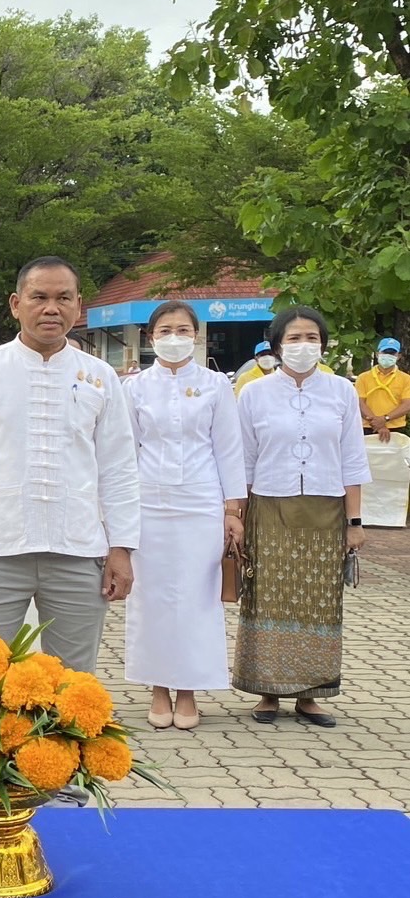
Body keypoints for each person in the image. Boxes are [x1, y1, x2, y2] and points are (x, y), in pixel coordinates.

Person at [0, 256, 140, 673]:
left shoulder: (99, 377)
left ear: (78, 305)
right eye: (39, 297)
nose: (51, 308)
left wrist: (121, 548)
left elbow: (119, 468)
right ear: (16, 304)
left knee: (73, 682)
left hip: (78, 550)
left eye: (63, 298)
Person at [235, 306, 370, 727]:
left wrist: (355, 523)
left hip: (326, 511)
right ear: (277, 345)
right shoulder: (254, 393)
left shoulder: (341, 391)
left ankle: (312, 694)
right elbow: (244, 462)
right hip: (268, 509)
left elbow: (352, 459)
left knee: (319, 603)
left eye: (312, 338)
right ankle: (267, 692)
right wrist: (237, 517)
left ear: (323, 345)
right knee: (269, 599)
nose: (303, 346)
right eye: (294, 338)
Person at [122, 302, 247, 730]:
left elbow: (228, 448)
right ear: (150, 337)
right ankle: (158, 687)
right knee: (152, 596)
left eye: (182, 330)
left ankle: (189, 689)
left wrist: (233, 509)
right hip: (148, 503)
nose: (174, 338)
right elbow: (125, 451)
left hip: (201, 502)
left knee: (197, 597)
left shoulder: (216, 385)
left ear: (196, 336)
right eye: (165, 330)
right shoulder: (134, 388)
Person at [355, 337, 410, 442]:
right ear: (377, 354)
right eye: (385, 352)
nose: (388, 356)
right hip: (367, 427)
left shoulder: (406, 379)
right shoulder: (363, 377)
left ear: (398, 356)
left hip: (395, 428)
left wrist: (385, 419)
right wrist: (378, 424)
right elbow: (359, 402)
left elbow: (407, 405)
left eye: (392, 353)